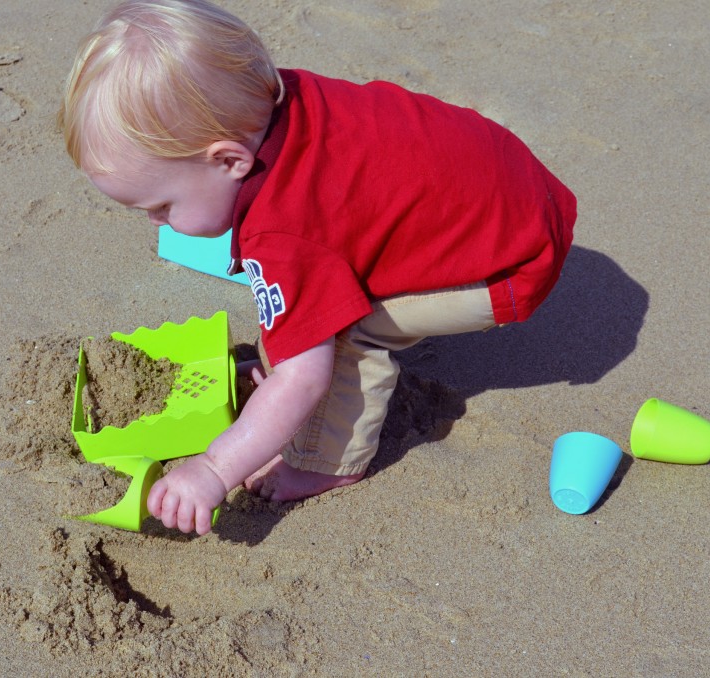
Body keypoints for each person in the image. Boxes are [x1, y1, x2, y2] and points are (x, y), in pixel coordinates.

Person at [58, 0, 576, 535]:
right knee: (309, 305)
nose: (155, 223)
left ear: (230, 160)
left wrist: (213, 469)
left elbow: (304, 378)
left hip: (512, 261)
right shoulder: (280, 100)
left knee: (341, 329)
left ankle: (328, 463)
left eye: (162, 207)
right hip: (515, 189)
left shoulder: (281, 232)